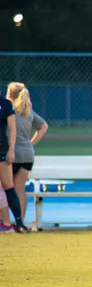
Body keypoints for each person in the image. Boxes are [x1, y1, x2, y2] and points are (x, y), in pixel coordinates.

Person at [6, 82, 48, 221]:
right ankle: (20, 220)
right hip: (27, 154)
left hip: (9, 154)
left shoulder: (6, 109)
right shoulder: (27, 110)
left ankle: (5, 221)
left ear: (10, 94)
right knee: (20, 190)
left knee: (6, 189)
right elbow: (43, 126)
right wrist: (31, 143)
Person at [0, 93, 29, 233]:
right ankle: (6, 223)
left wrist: (11, 150)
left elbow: (12, 129)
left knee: (8, 186)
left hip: (1, 150)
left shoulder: (5, 104)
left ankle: (19, 222)